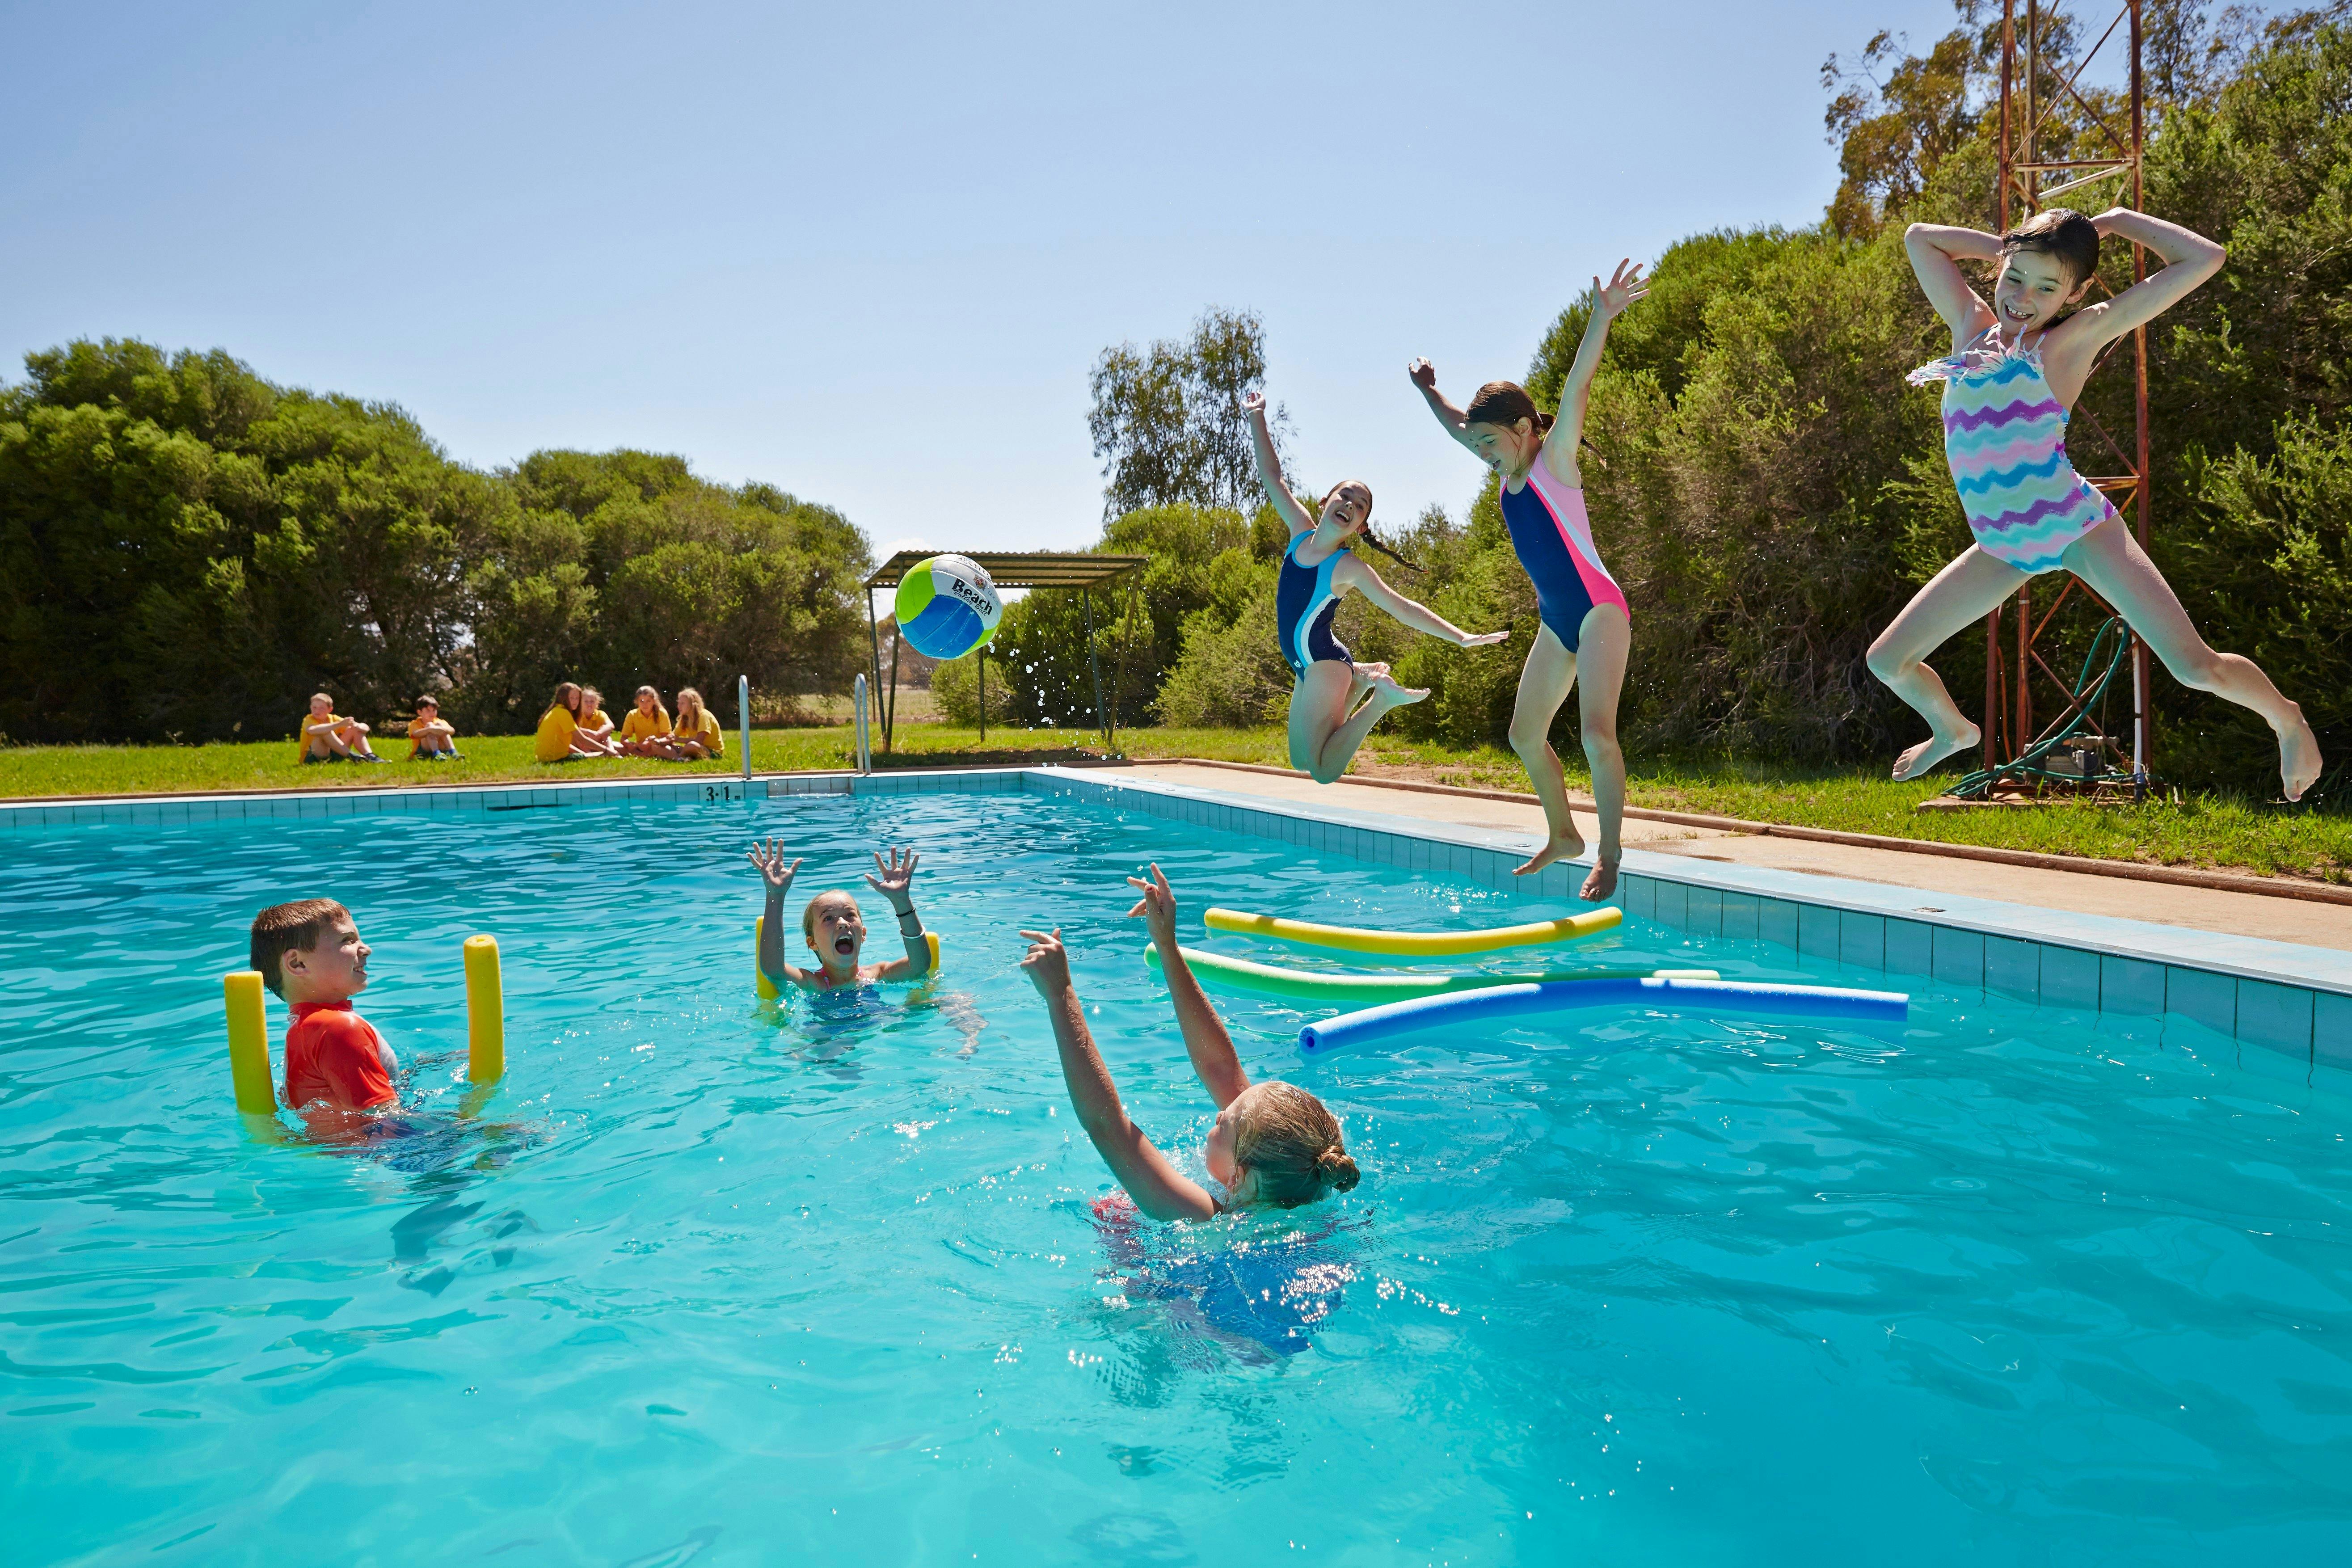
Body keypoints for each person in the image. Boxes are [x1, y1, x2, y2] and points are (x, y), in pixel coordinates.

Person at [1869, 207, 2322, 799]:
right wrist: (2016, 246)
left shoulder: (2073, 339)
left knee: (2192, 668)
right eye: (2013, 278)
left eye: (2047, 286)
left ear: (2076, 293)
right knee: (1889, 662)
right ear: (1997, 270)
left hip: (2075, 526)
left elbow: (2204, 259)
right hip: (2001, 547)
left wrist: (2115, 220)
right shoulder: (1968, 325)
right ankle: (1951, 729)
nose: (2023, 298)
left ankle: (2287, 719)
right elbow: (1920, 238)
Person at [1408, 259, 1648, 896]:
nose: (1481, 457)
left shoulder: (1554, 464)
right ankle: (1562, 832)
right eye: (1479, 450)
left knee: (1597, 734)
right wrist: (1426, 390)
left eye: (1490, 446)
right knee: (1523, 734)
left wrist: (1600, 316)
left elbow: (1577, 388)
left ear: (1521, 429)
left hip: (1599, 611)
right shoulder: (1506, 468)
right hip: (1557, 622)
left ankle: (1610, 853)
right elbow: (1456, 425)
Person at [1020, 864, 1361, 1221]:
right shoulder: (1284, 1177)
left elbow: (1106, 1126)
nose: (1220, 1111)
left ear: (1238, 1177)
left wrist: (1060, 996)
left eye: (1224, 1123)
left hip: (1168, 1275)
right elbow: (1221, 1068)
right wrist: (1166, 944)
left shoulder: (1208, 1219)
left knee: (1117, 1215)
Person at [1241, 391, 1506, 784]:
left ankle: (1380, 699)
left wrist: (1461, 638)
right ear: (1325, 501)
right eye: (1344, 496)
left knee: (1323, 771)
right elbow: (1272, 476)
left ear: (1360, 527)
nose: (1350, 504)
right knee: (1300, 760)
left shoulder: (1347, 567)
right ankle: (1362, 678)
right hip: (1304, 666)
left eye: (1360, 506)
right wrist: (1256, 417)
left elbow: (1402, 607)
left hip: (1324, 665)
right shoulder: (1299, 532)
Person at [249, 898, 399, 1119]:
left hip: (342, 1151)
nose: (367, 949)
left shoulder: (307, 1027)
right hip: (374, 1149)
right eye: (348, 940)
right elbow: (385, 1120)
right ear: (297, 964)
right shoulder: (338, 1028)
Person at [748, 839, 934, 990]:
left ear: (863, 934)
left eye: (850, 915)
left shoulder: (878, 975)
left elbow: (919, 966)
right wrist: (776, 896)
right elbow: (774, 970)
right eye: (828, 918)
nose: (843, 923)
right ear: (812, 942)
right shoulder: (814, 983)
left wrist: (902, 901)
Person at [298, 692, 386, 763]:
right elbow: (312, 730)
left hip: (331, 754)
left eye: (322, 708)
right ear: (310, 707)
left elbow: (365, 728)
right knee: (325, 731)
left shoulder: (333, 718)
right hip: (312, 757)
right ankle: (354, 756)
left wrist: (355, 725)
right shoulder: (309, 719)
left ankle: (370, 756)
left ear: (330, 710)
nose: (317, 711)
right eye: (314, 707)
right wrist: (338, 725)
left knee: (355, 729)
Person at [533, 683, 608, 762]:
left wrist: (583, 754)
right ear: (563, 698)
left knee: (594, 755)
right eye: (572, 698)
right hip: (555, 759)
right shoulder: (563, 713)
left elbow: (566, 745)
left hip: (544, 758)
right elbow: (582, 739)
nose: (575, 701)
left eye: (577, 698)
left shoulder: (556, 711)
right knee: (604, 755)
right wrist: (607, 750)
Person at [667, 686, 723, 760]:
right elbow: (673, 736)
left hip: (712, 752)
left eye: (683, 703)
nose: (679, 706)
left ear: (693, 704)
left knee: (691, 746)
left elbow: (699, 741)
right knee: (664, 746)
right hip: (695, 749)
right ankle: (681, 757)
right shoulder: (684, 717)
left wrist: (677, 740)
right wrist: (659, 742)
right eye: (678, 703)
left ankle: (679, 758)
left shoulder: (704, 716)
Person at [616, 686, 673, 757]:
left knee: (660, 748)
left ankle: (642, 755)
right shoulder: (632, 715)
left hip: (657, 745)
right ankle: (642, 754)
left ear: (654, 701)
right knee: (614, 745)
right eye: (642, 701)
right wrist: (629, 744)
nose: (645, 704)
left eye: (648, 701)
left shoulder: (661, 713)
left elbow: (667, 738)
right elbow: (623, 738)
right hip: (640, 747)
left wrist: (650, 743)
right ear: (637, 702)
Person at [408, 696, 461, 761]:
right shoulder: (415, 724)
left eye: (434, 710)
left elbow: (452, 731)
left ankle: (453, 752)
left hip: (441, 747)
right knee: (430, 727)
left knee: (441, 727)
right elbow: (415, 734)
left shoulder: (440, 722)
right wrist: (430, 729)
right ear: (420, 712)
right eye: (428, 711)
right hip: (424, 750)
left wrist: (443, 729)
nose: (432, 713)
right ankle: (436, 753)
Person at [573, 687, 622, 756]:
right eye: (586, 701)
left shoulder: (600, 714)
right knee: (578, 736)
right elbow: (573, 729)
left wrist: (598, 733)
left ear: (597, 703)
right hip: (584, 744)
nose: (589, 704)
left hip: (598, 742)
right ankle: (589, 754)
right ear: (580, 703)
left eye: (592, 702)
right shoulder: (577, 715)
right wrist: (588, 732)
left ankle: (612, 752)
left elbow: (610, 725)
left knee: (606, 734)